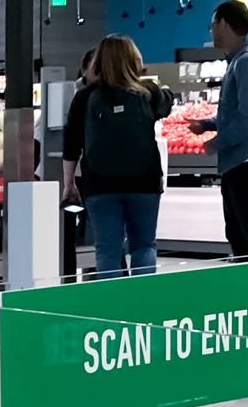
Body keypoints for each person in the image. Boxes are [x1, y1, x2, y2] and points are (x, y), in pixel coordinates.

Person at [61, 35, 174, 279]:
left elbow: (71, 145)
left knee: (107, 250)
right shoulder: (148, 93)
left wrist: (69, 184)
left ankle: (111, 308)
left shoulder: (84, 97)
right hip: (144, 183)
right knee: (144, 245)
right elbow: (169, 101)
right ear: (134, 61)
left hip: (100, 185)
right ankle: (144, 303)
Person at [187, 0, 248, 257]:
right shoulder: (238, 62)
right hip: (238, 162)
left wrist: (218, 142)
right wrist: (207, 125)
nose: (211, 30)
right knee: (239, 233)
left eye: (212, 25)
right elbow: (239, 112)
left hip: (246, 161)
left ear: (223, 24)